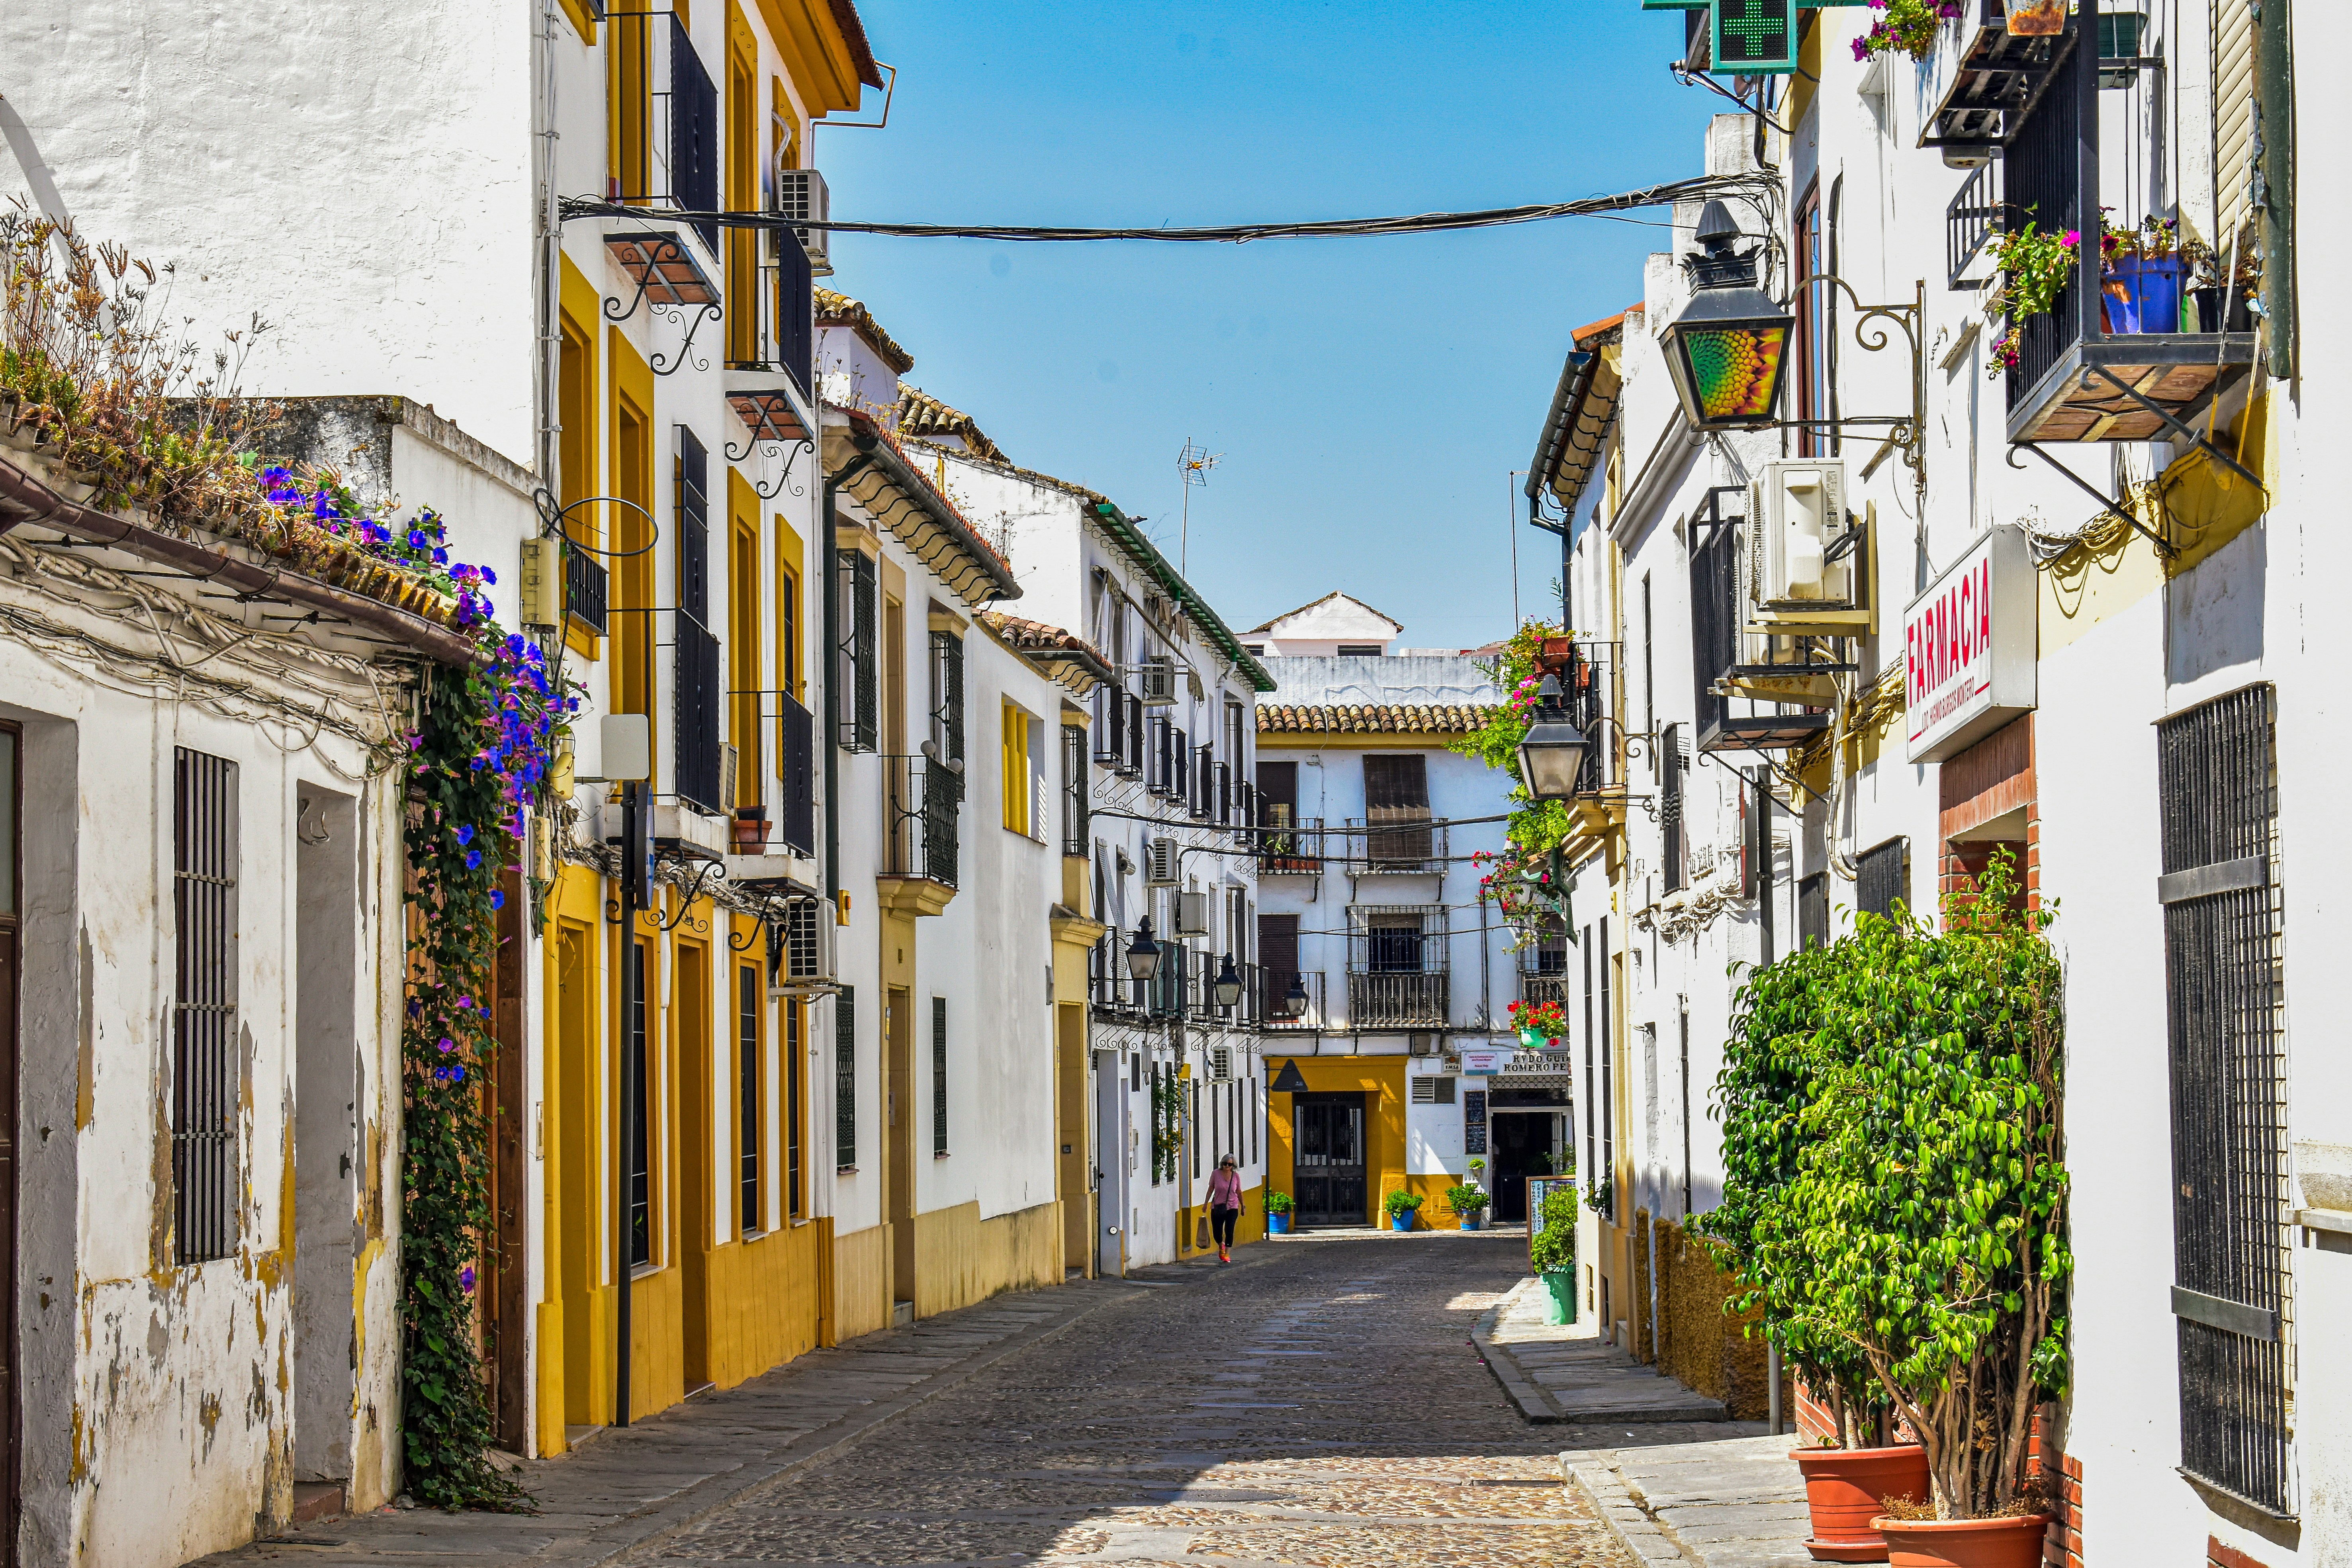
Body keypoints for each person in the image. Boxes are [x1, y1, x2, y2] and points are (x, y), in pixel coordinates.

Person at [1206, 1154, 1244, 1263]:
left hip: (1232, 1207)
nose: (1227, 1166)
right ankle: (1220, 1245)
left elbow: (1239, 1192)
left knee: (1229, 1230)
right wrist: (1205, 1203)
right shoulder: (1216, 1174)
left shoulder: (1235, 1176)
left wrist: (1243, 1206)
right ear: (1222, 1164)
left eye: (1230, 1165)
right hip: (1218, 1206)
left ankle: (1227, 1254)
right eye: (1225, 1164)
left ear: (1233, 1166)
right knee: (1217, 1233)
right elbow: (1211, 1189)